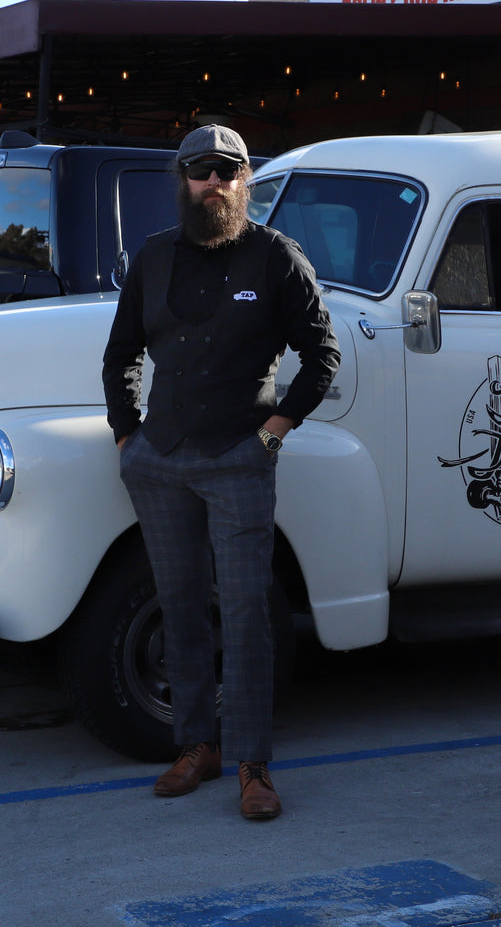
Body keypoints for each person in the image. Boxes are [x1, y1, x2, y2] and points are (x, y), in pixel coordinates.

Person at [102, 123, 339, 820]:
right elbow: (120, 354)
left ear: (245, 180)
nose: (215, 182)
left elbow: (321, 355)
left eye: (228, 170)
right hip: (161, 462)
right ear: (182, 178)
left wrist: (271, 435)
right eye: (201, 170)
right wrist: (127, 438)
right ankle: (194, 747)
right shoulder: (152, 258)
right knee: (180, 607)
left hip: (239, 459)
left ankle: (252, 765)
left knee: (244, 615)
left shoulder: (274, 258)